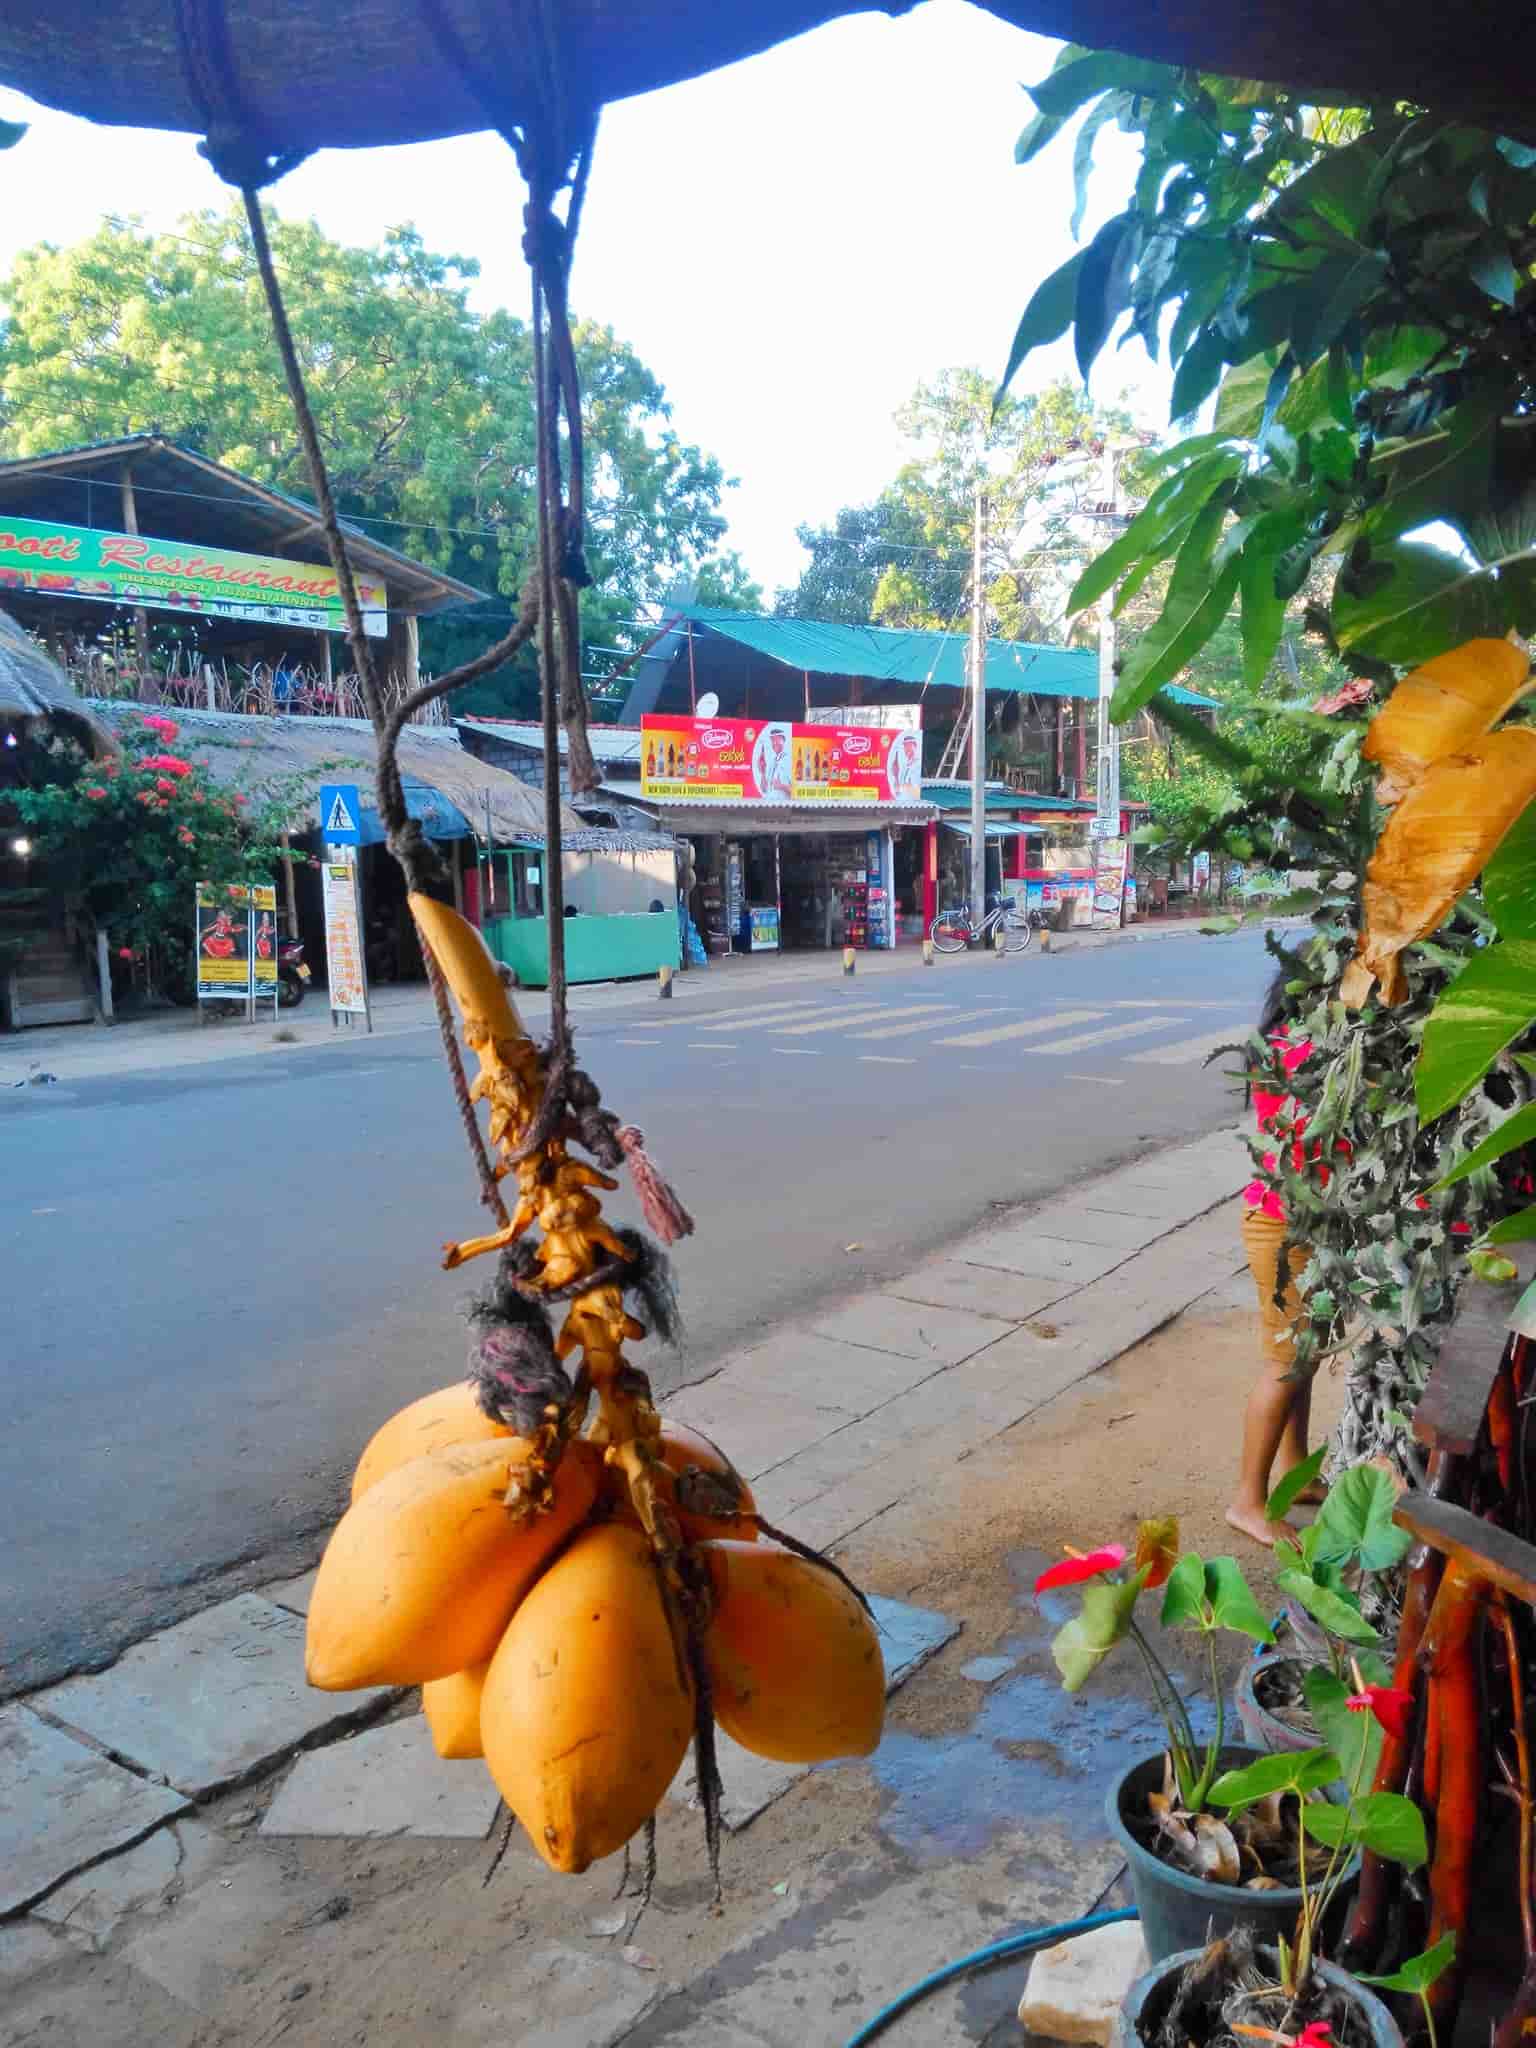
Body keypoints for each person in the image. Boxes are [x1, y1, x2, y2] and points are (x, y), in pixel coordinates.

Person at [1225, 968, 1332, 1547]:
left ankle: (1296, 1470)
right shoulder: (1303, 1050)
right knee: (1284, 1362)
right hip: (1282, 1225)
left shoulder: (1288, 1041)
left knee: (1303, 1353)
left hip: (1297, 1218)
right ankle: (1247, 1500)